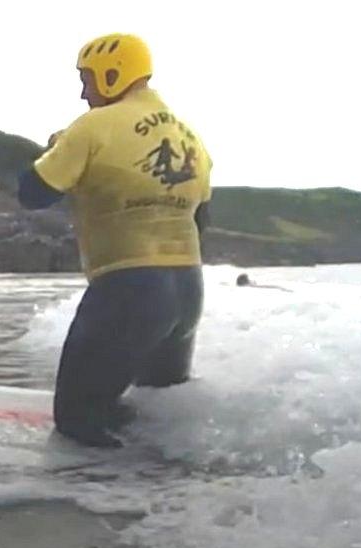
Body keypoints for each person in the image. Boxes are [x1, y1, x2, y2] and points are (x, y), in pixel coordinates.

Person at [17, 33, 213, 447]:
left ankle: (89, 500)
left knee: (75, 419)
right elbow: (203, 219)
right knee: (157, 414)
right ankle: (171, 501)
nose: (84, 91)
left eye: (87, 79)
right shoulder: (191, 138)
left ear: (113, 74)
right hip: (188, 290)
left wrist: (56, 148)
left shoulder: (93, 127)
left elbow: (32, 193)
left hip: (131, 288)